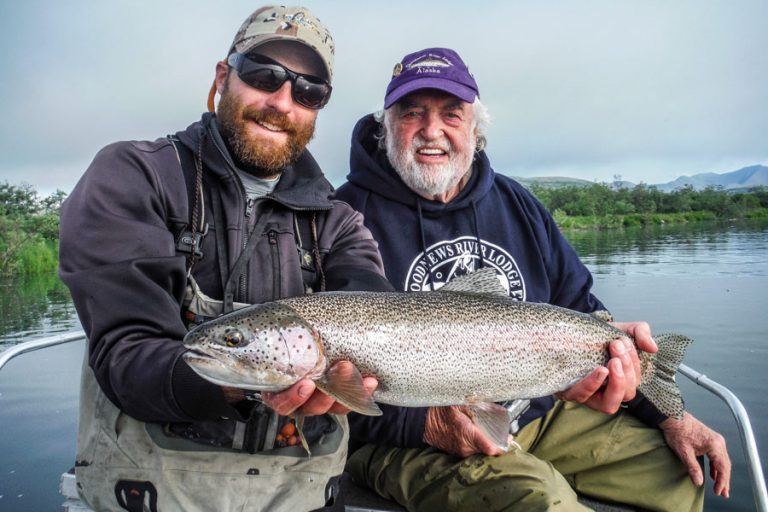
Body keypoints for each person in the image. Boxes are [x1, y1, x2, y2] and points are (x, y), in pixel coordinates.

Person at [335, 47, 731, 511]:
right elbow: (319, 376)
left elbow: (581, 310)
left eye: (451, 114)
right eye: (412, 114)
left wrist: (666, 412)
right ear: (385, 129)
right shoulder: (343, 217)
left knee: (677, 478)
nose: (432, 130)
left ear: (475, 130)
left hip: (538, 412)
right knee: (543, 502)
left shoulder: (517, 204)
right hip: (405, 437)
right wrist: (424, 424)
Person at [58, 6, 391, 512]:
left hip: (304, 497)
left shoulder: (340, 222)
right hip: (154, 497)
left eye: (308, 91)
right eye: (264, 76)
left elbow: (376, 312)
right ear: (223, 76)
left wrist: (340, 374)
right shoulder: (135, 176)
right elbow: (128, 355)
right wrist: (252, 379)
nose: (282, 102)